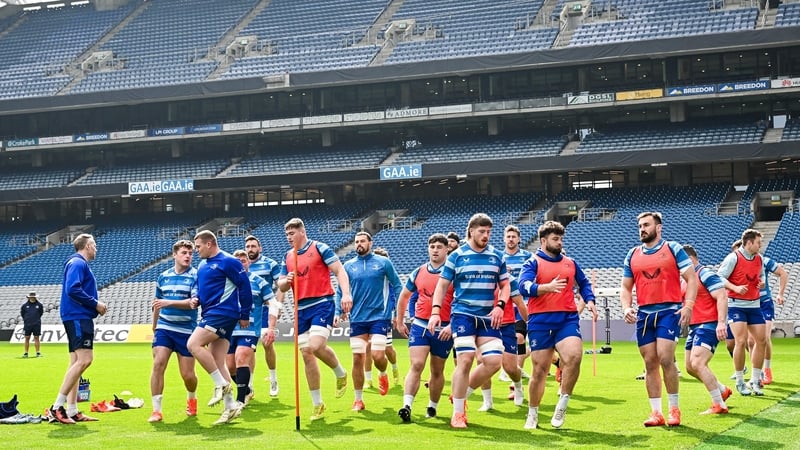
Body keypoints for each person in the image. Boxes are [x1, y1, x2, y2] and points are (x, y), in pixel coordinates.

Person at [428, 213, 509, 429]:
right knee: (466, 358)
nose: (486, 235)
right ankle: (458, 414)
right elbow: (442, 286)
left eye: (489, 232)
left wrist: (500, 305)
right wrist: (436, 311)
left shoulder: (497, 256)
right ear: (471, 231)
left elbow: (506, 286)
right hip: (462, 313)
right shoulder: (457, 256)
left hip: (487, 316)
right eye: (482, 231)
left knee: (493, 362)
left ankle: (460, 395)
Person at [518, 220, 596, 429]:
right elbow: (523, 286)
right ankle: (533, 413)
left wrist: (589, 301)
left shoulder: (570, 262)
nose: (559, 242)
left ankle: (562, 403)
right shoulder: (532, 262)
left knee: (574, 356)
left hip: (566, 319)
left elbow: (584, 283)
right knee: (539, 371)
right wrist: (545, 287)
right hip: (540, 322)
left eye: (561, 238)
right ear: (543, 241)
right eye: (555, 239)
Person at [621, 212, 696, 428]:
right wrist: (626, 307)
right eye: (640, 226)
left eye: (646, 225)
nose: (642, 229)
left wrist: (688, 305)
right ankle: (656, 413)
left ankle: (674, 409)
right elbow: (626, 287)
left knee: (665, 359)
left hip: (669, 311)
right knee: (649, 363)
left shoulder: (673, 249)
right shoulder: (632, 254)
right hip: (644, 314)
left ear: (659, 227)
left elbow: (691, 278)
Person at [277, 218, 351, 421]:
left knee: (316, 346)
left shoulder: (320, 248)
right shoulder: (288, 256)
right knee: (307, 354)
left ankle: (341, 373)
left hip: (322, 302)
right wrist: (286, 281)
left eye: (292, 233)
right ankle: (318, 404)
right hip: (300, 309)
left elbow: (340, 271)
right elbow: (282, 285)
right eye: (287, 234)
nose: (289, 238)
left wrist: (345, 294)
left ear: (302, 231)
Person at [187, 230, 253, 425]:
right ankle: (231, 407)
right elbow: (200, 286)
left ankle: (220, 384)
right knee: (218, 360)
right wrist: (196, 298)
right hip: (209, 313)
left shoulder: (229, 261)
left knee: (193, 345)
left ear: (209, 244)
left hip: (223, 313)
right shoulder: (201, 264)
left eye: (198, 246)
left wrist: (245, 314)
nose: (196, 250)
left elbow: (245, 286)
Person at [336, 232, 402, 411]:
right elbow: (340, 291)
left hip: (380, 317)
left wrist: (396, 310)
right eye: (356, 241)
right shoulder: (348, 266)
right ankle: (358, 400)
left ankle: (382, 373)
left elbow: (397, 285)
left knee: (378, 355)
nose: (359, 244)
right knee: (357, 358)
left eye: (362, 241)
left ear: (370, 243)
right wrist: (338, 310)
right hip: (357, 319)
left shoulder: (383, 263)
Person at [47, 233, 107, 424]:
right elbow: (72, 289)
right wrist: (95, 304)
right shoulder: (78, 263)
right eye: (94, 245)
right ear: (87, 246)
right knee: (85, 360)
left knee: (76, 362)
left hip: (75, 316)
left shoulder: (77, 263)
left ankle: (72, 410)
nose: (96, 249)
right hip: (78, 316)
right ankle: (57, 407)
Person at [395, 233, 453, 422]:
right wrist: (400, 320)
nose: (435, 250)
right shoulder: (418, 272)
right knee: (417, 364)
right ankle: (406, 405)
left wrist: (453, 325)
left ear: (447, 250)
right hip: (420, 325)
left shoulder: (454, 273)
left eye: (439, 247)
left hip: (444, 328)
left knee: (437, 370)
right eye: (432, 247)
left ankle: (432, 406)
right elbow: (404, 297)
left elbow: (461, 301)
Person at [148, 240, 199, 423]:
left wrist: (168, 302)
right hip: (165, 328)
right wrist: (155, 327)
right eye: (184, 252)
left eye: (190, 253)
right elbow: (157, 303)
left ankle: (192, 398)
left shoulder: (195, 275)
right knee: (158, 364)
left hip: (186, 330)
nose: (188, 256)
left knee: (188, 375)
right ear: (174, 255)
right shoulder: (163, 276)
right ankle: (156, 410)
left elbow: (193, 303)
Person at [681, 245, 733, 415]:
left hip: (709, 324)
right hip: (695, 326)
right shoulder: (685, 279)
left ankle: (719, 404)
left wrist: (721, 323)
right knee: (689, 367)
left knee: (697, 362)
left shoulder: (705, 273)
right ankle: (722, 390)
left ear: (690, 259)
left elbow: (722, 296)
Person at [716, 229, 767, 396]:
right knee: (741, 340)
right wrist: (735, 287)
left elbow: (762, 276)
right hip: (736, 305)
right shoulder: (733, 258)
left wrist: (762, 284)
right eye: (758, 242)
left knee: (761, 340)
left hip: (754, 305)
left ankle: (755, 379)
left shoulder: (759, 258)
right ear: (749, 243)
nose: (760, 245)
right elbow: (720, 277)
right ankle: (739, 381)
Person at [471, 277, 528, 411]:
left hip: (506, 325)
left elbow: (519, 303)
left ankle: (518, 387)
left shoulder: (510, 280)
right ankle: (487, 401)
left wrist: (530, 323)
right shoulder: (477, 278)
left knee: (510, 367)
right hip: (484, 325)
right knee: (482, 362)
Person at [227, 250, 270, 407]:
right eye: (237, 261)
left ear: (248, 262)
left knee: (241, 358)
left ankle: (239, 401)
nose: (240, 263)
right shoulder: (227, 281)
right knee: (231, 367)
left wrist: (270, 327)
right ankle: (246, 390)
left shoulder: (259, 282)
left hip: (250, 329)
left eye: (243, 260)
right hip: (229, 329)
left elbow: (272, 304)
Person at [245, 235, 284, 397]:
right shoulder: (241, 266)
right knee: (248, 350)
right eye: (248, 246)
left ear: (260, 248)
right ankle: (250, 385)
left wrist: (278, 305)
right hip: (248, 313)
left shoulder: (270, 264)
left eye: (253, 246)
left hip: (265, 310)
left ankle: (273, 379)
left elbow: (281, 286)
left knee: (267, 345)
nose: (250, 249)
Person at [363, 247, 401, 389]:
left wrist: (394, 313)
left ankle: (395, 368)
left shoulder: (388, 279)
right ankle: (368, 379)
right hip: (366, 316)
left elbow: (393, 296)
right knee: (367, 347)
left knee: (387, 349)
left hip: (383, 316)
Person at [501, 225, 533, 383]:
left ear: (519, 239)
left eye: (514, 236)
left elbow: (534, 276)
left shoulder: (527, 256)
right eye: (508, 236)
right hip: (504, 305)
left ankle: (517, 372)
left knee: (519, 337)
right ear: (504, 239)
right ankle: (510, 368)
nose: (511, 239)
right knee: (502, 341)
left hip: (522, 303)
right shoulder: (498, 258)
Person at [754, 251, 787, 385]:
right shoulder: (737, 262)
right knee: (751, 341)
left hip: (765, 303)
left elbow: (783, 273)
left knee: (765, 337)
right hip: (749, 303)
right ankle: (756, 372)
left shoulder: (764, 261)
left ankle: (767, 369)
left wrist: (780, 294)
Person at [21, 291, 44, 358]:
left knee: (36, 337)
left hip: (36, 324)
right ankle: (26, 353)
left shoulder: (39, 305)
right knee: (27, 338)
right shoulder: (24, 306)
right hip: (27, 324)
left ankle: (38, 352)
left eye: (33, 297)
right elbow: (23, 314)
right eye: (31, 297)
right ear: (29, 297)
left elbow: (40, 313)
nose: (32, 298)